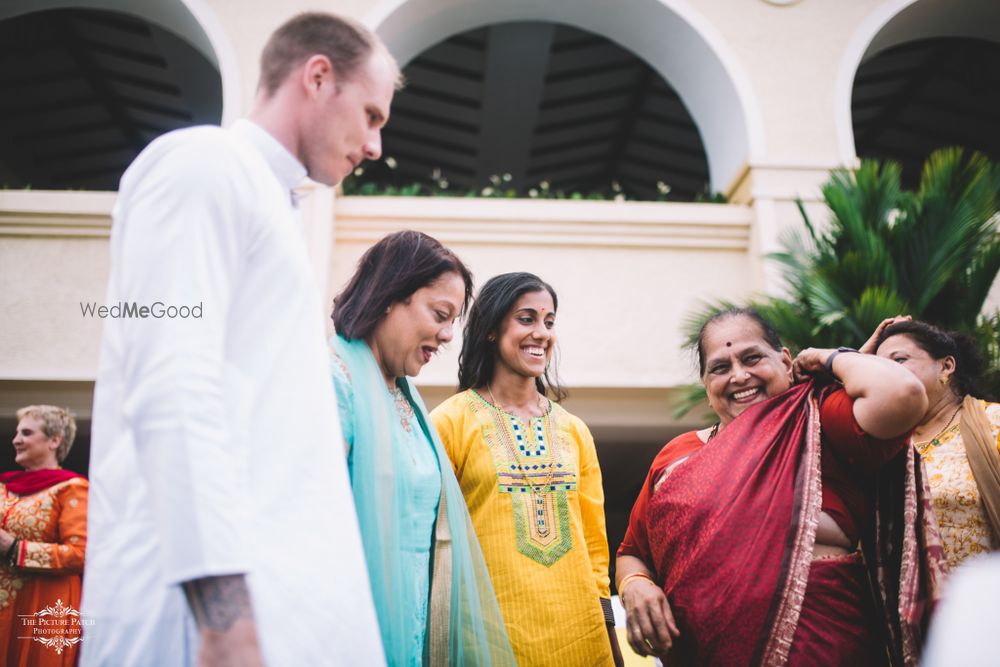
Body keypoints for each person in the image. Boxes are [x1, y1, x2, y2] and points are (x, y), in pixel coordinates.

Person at [82, 12, 396, 666]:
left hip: (279, 617)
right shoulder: (201, 164)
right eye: (371, 115)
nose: (375, 147)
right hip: (200, 630)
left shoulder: (272, 205)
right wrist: (227, 624)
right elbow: (170, 382)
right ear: (317, 77)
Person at [616, 307, 944, 666]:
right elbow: (633, 552)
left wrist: (826, 358)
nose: (739, 376)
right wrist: (636, 585)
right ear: (707, 386)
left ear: (787, 361)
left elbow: (904, 393)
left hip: (823, 650)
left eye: (752, 358)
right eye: (720, 368)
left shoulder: (819, 419)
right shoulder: (677, 458)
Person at [330, 230, 514, 666]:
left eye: (454, 322)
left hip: (413, 626)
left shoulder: (405, 396)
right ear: (390, 296)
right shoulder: (335, 382)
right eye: (440, 314)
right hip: (354, 627)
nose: (448, 335)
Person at [431, 272, 623, 666]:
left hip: (581, 639)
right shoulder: (451, 422)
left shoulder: (574, 430)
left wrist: (610, 641)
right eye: (527, 318)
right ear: (491, 329)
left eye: (549, 322)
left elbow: (595, 549)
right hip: (488, 640)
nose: (542, 333)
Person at [865, 317, 1000, 570]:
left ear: (946, 366)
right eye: (879, 368)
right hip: (901, 608)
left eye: (899, 360)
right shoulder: (879, 443)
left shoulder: (993, 423)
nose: (888, 374)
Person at [0, 406, 87, 666]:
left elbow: (81, 555)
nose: (16, 440)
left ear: (54, 440)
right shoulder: (3, 487)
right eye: (17, 433)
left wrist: (16, 548)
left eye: (26, 433)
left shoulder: (72, 490)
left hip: (42, 608)